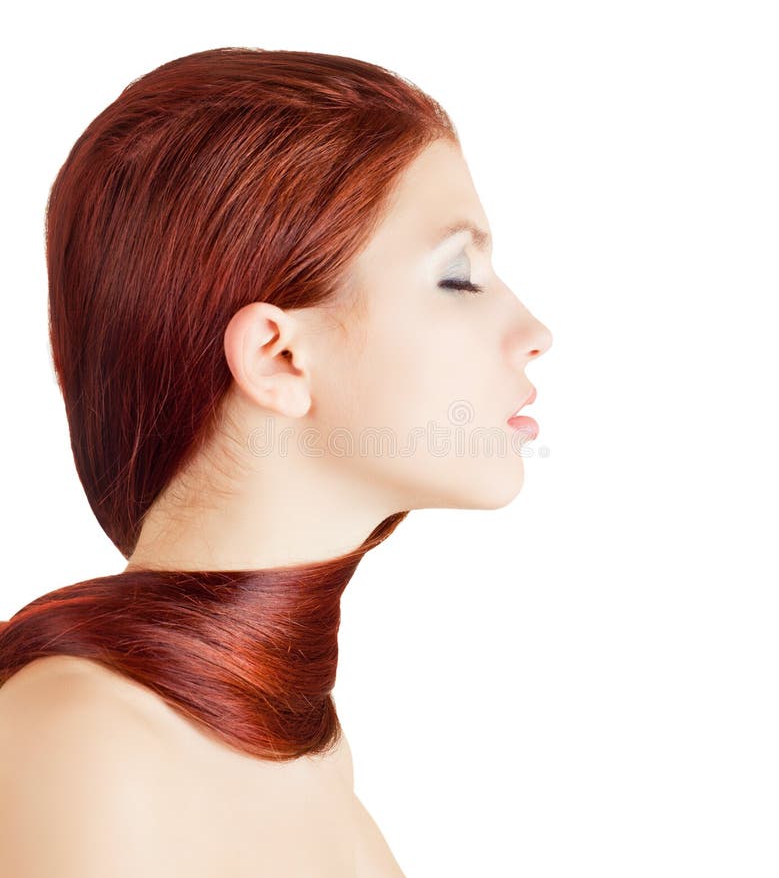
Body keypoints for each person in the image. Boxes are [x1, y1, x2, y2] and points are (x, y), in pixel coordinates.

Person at [0, 46, 552, 876]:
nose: (533, 332)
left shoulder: (305, 755)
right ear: (278, 355)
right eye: (457, 276)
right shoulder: (85, 745)